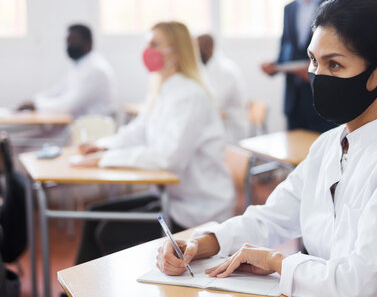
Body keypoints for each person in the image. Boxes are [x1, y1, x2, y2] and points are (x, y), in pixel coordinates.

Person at [156, 0, 377, 297]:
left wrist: (277, 262)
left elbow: (366, 287)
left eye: (335, 65)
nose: (318, 75)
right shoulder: (329, 146)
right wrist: (205, 242)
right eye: (314, 61)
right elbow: (273, 215)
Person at [73, 21, 235, 263]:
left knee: (109, 233)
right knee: (94, 214)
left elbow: (168, 159)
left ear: (176, 52)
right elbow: (139, 130)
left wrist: (106, 159)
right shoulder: (165, 88)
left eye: (154, 44)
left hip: (198, 206)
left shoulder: (190, 95)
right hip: (173, 196)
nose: (147, 50)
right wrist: (104, 146)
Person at [261, 0, 337, 132]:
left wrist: (314, 69)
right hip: (294, 103)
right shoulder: (290, 9)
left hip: (322, 100)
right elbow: (286, 50)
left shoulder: (336, 3)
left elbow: (340, 52)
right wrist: (275, 66)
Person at [17, 24, 117, 118]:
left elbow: (68, 105)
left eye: (73, 40)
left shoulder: (96, 70)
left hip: (91, 128)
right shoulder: (80, 66)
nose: (69, 45)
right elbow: (58, 91)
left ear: (88, 43)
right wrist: (35, 100)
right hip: (76, 124)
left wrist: (37, 105)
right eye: (67, 41)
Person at [197, 34, 247, 144]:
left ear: (210, 47)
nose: (197, 51)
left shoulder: (226, 71)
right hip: (218, 125)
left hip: (230, 128)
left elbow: (216, 103)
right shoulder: (205, 68)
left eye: (200, 47)